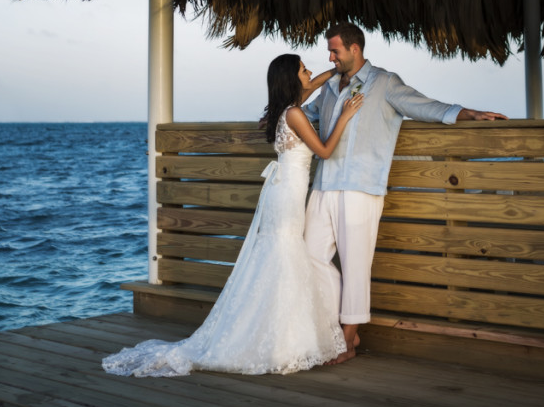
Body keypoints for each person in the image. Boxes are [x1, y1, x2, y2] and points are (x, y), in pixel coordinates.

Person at [102, 54, 363, 377]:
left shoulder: (286, 109)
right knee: (284, 256)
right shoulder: (295, 113)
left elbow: (309, 88)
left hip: (283, 193)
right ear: (292, 79)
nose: (310, 72)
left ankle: (279, 334)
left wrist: (332, 71)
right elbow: (324, 150)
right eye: (303, 69)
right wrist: (345, 117)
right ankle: (282, 341)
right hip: (287, 197)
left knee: (281, 256)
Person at [303, 22, 507, 363]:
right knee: (308, 258)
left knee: (356, 267)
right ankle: (327, 324)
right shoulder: (329, 88)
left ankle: (347, 339)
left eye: (334, 50)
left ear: (355, 49)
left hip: (361, 187)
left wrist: (466, 113)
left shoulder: (384, 83)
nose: (329, 56)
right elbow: (307, 116)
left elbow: (423, 105)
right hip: (323, 184)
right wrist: (277, 115)